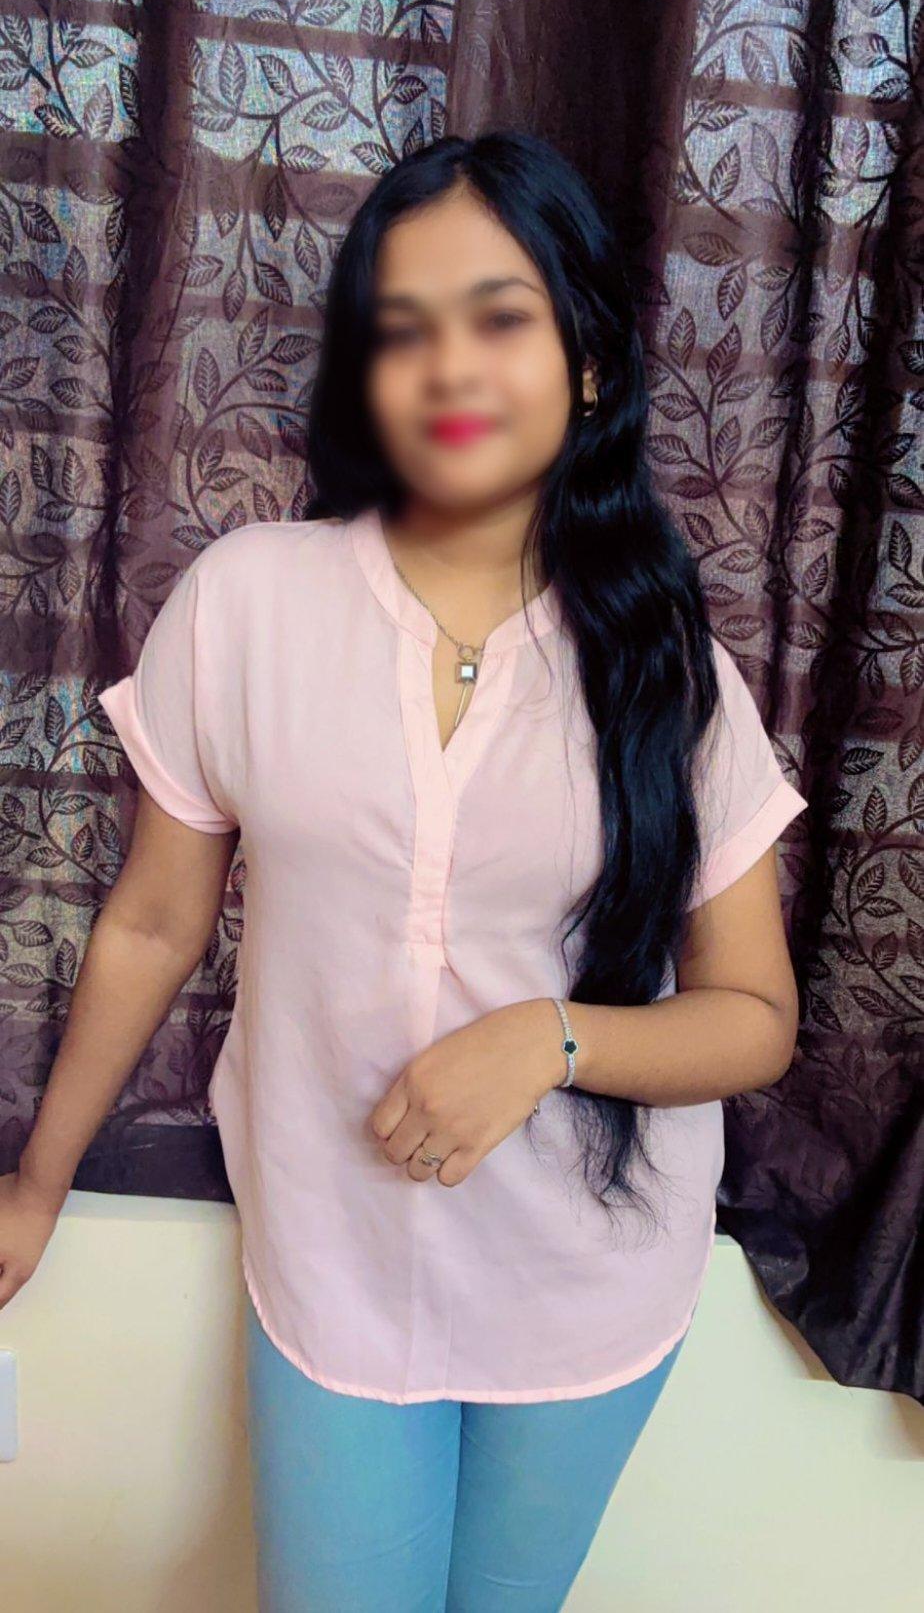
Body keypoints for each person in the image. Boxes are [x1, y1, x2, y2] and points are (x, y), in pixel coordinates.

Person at [0, 130, 808, 1611]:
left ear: (587, 364)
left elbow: (755, 1018)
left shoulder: (666, 665)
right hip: (336, 1263)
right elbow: (153, 924)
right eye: (402, 329)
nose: (449, 369)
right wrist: (36, 1184)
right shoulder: (249, 602)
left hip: (590, 1280)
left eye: (499, 319)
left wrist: (548, 1041)